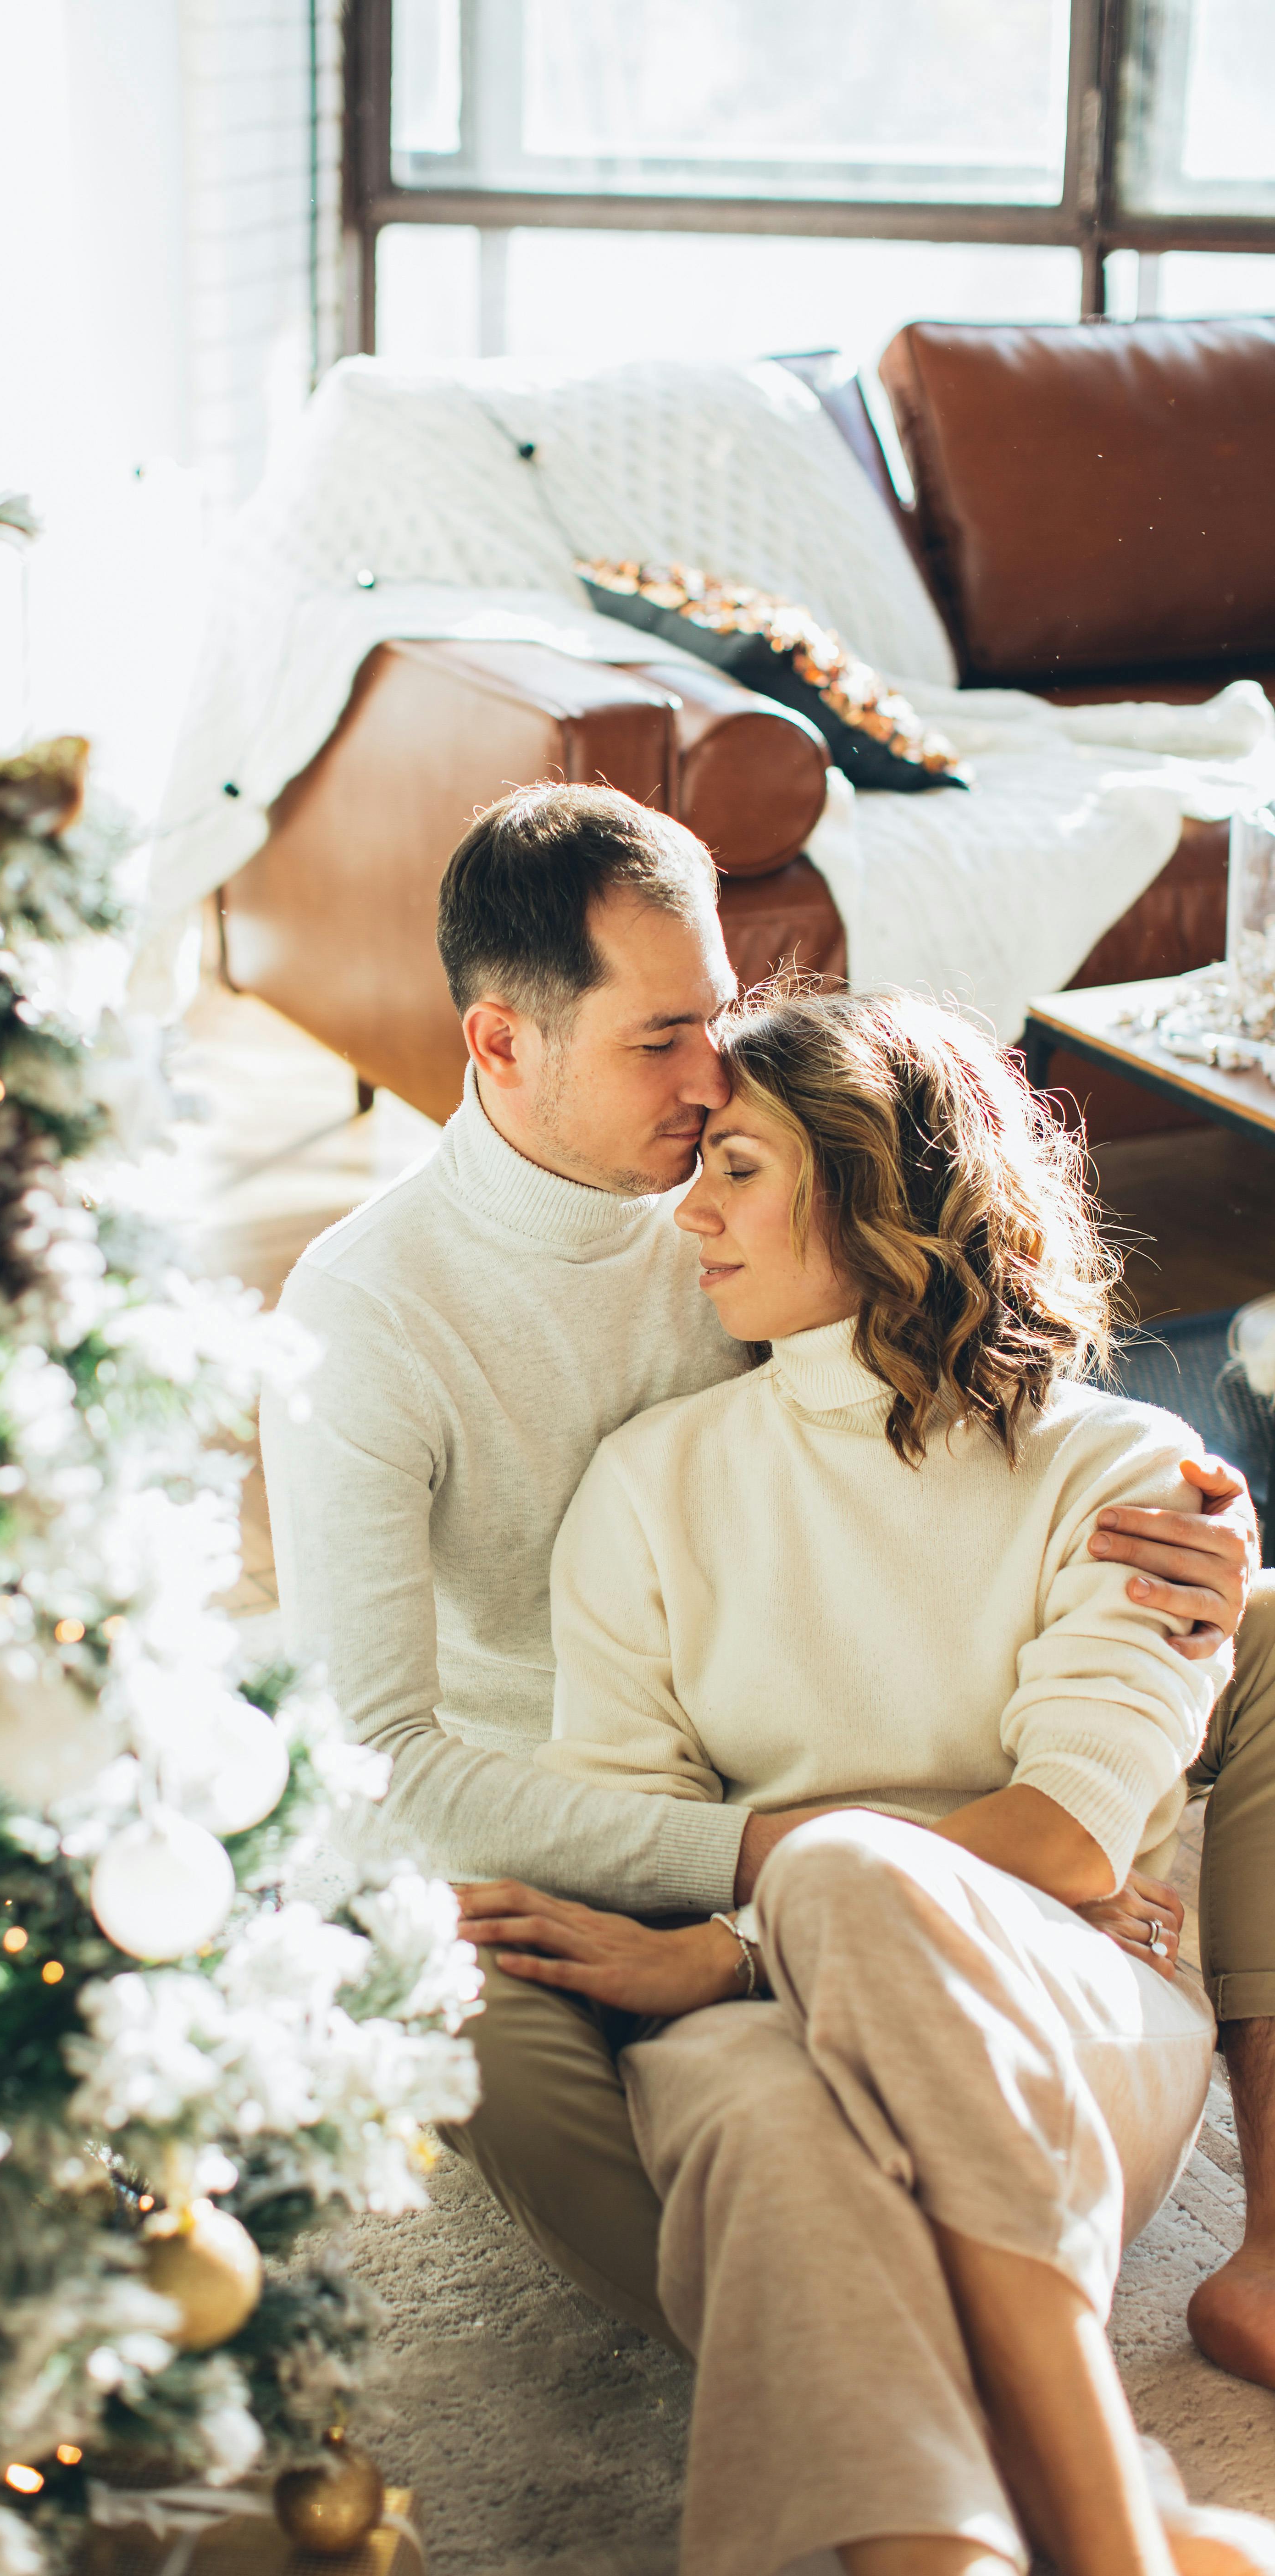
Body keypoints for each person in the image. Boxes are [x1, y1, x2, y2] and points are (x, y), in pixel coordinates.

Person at [259, 785, 1275, 2385]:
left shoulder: (746, 1186)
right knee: (460, 1989)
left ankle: (1253, 2230)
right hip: (561, 1812)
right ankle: (844, 2323)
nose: (711, 1074)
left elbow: (954, 1414)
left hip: (811, 1779)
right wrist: (777, 1869)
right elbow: (379, 1768)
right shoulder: (368, 1315)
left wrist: (1207, 1527)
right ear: (501, 1046)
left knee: (1249, 1618)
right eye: (660, 1037)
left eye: (717, 1012)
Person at [462, 985, 1250, 2576]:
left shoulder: (1128, 1477)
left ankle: (1102, 2534)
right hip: (750, 2039)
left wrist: (752, 1924)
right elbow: (637, 1842)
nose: (692, 1210)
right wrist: (746, 1950)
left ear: (878, 1184)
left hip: (1069, 2020)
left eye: (738, 1165)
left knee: (830, 1870)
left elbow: (1070, 1836)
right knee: (764, 2113)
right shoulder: (652, 1485)